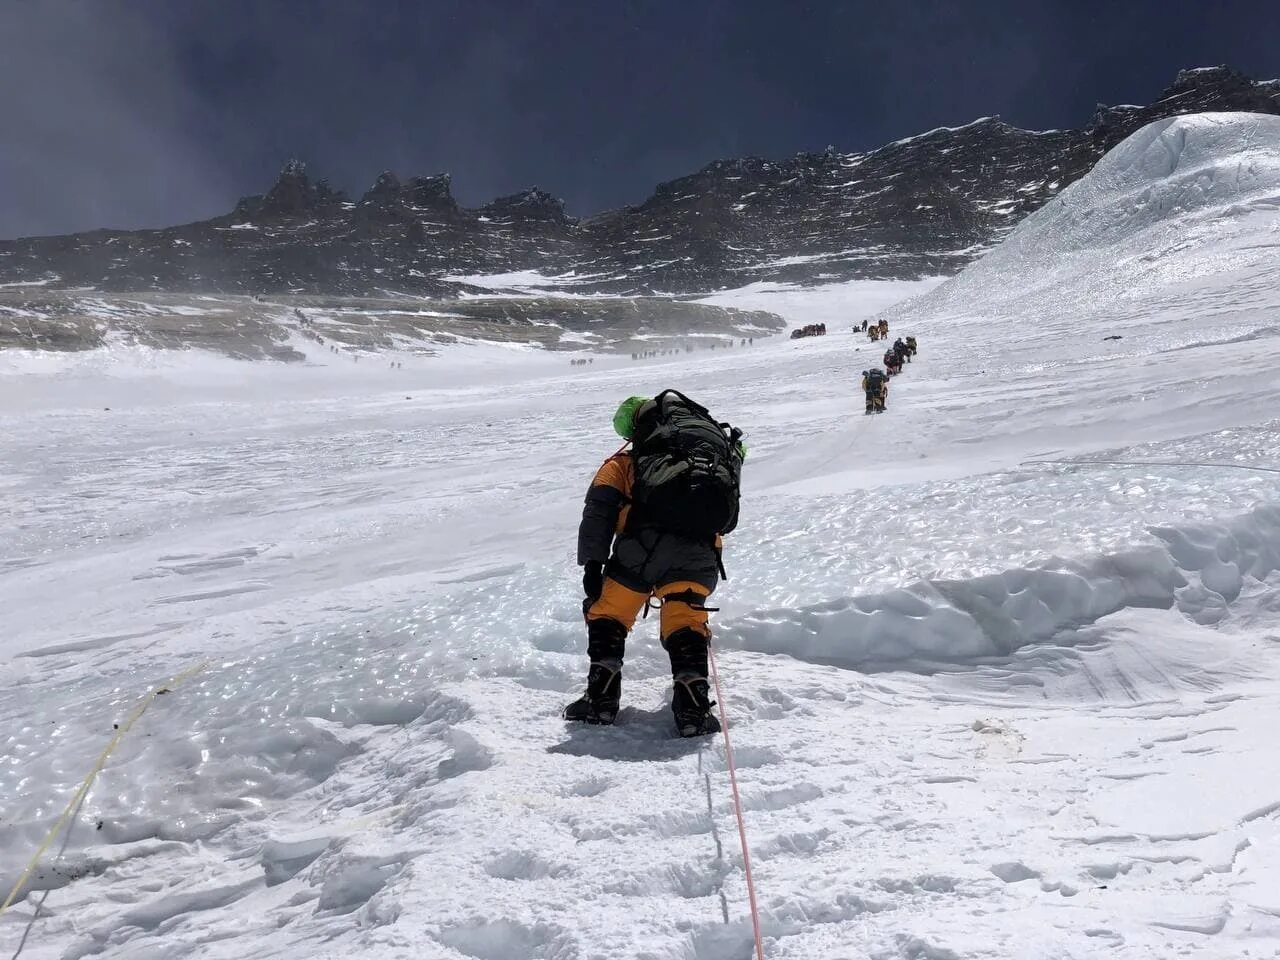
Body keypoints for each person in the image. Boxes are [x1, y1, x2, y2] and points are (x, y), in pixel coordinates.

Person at [567, 392, 745, 737]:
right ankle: (692, 708)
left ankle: (601, 700)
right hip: (700, 552)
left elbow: (598, 512)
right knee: (686, 622)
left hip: (640, 550)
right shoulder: (710, 459)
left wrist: (592, 564)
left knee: (608, 615)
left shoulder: (623, 465)